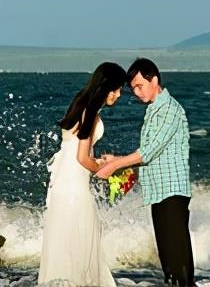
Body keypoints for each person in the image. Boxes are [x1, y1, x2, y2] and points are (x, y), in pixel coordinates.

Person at [96, 58, 194, 286]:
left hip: (172, 193)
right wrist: (117, 159)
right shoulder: (153, 110)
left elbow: (147, 153)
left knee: (178, 265)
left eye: (140, 86)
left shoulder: (169, 109)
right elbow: (150, 153)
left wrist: (113, 166)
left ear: (155, 80)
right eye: (134, 89)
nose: (138, 93)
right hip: (159, 193)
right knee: (169, 265)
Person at [39, 62, 127, 287]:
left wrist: (101, 161)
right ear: (105, 87)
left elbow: (75, 151)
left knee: (65, 247)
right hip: (75, 190)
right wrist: (106, 169)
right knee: (81, 248)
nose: (118, 95)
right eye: (115, 89)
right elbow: (82, 158)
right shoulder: (91, 114)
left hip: (62, 186)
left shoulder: (79, 104)